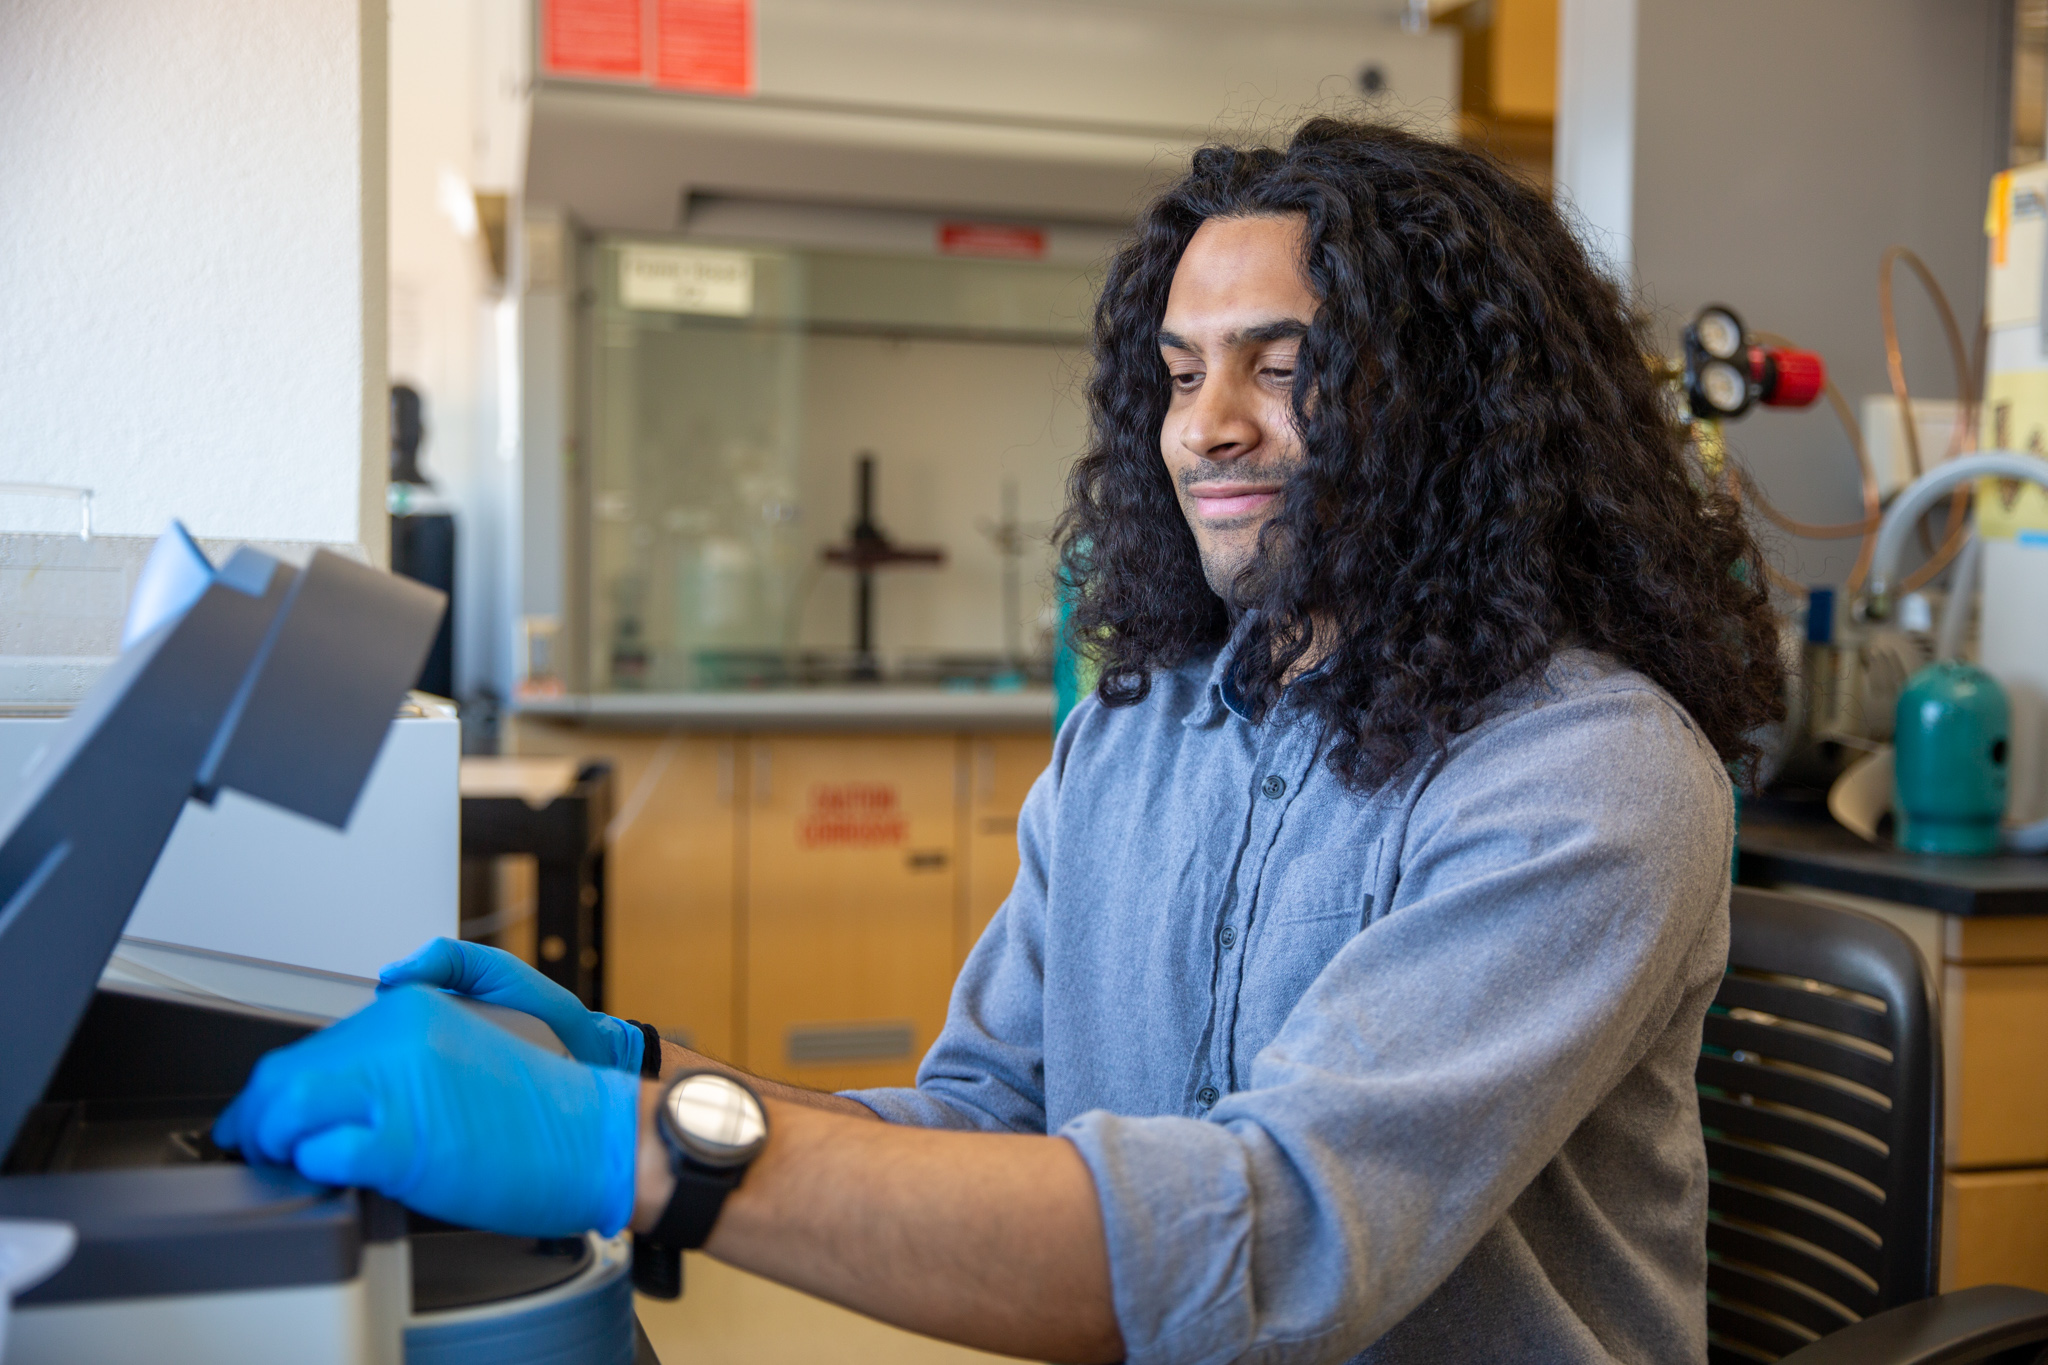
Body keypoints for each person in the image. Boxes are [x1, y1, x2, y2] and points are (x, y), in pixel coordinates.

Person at [215, 119, 1783, 1364]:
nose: (1207, 424)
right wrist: (637, 1070)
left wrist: (632, 1153)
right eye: (1179, 373)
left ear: (1455, 406)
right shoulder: (1136, 738)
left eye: (1288, 364)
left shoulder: (1587, 772)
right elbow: (981, 1121)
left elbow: (1277, 1236)